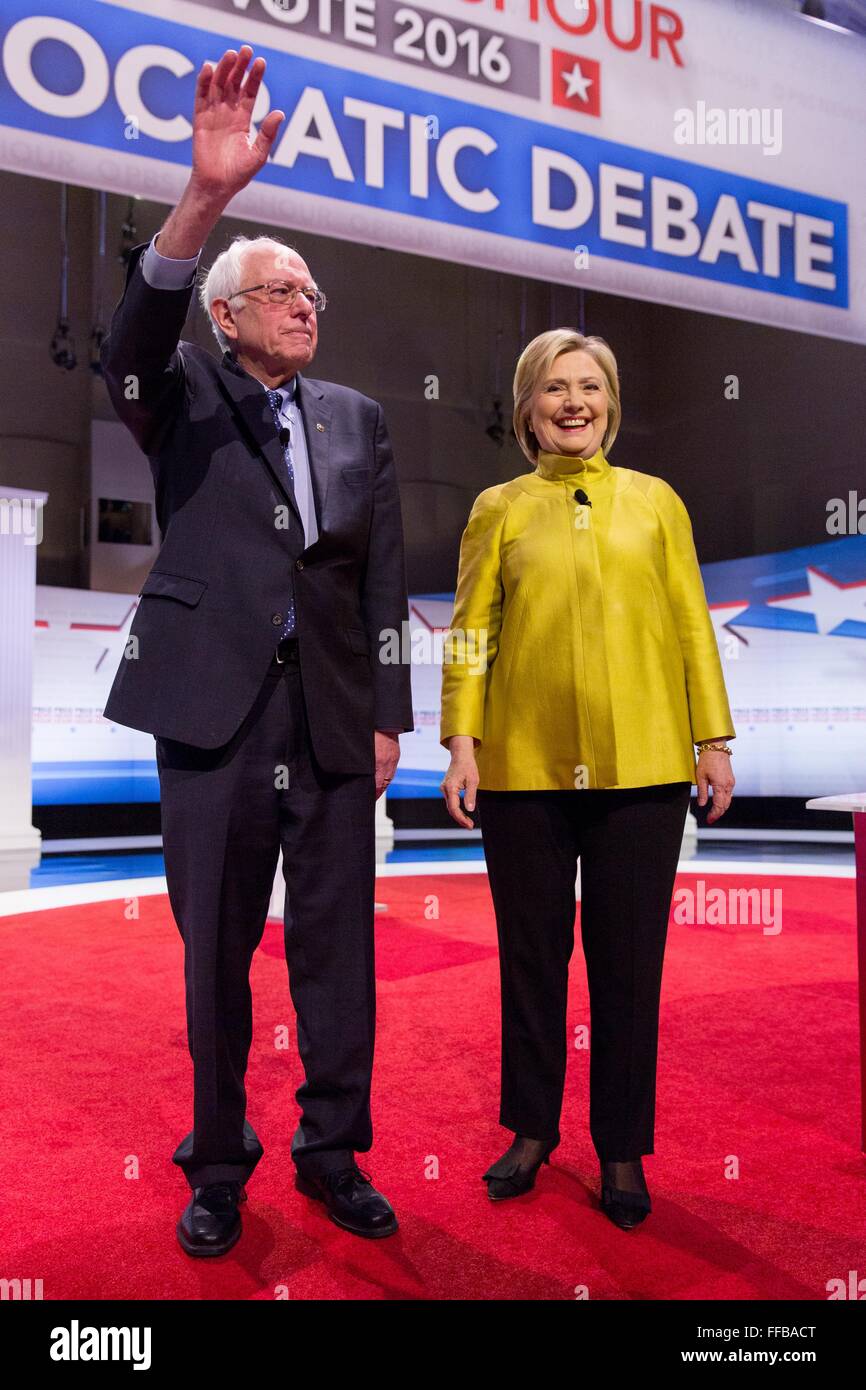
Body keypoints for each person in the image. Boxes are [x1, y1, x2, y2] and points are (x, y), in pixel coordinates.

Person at [100, 46, 414, 1254]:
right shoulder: (174, 390)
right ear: (227, 314)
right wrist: (205, 199)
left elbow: (380, 574)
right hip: (210, 712)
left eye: (315, 297)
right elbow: (133, 330)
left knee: (339, 953)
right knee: (214, 955)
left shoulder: (359, 421)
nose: (307, 309)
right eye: (284, 293)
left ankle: (333, 1152)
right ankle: (218, 1165)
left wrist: (389, 709)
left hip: (331, 715)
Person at [439, 330, 735, 1229]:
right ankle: (531, 1129)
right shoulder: (499, 507)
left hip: (644, 769)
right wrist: (461, 740)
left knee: (628, 968)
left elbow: (692, 626)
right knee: (531, 963)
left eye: (591, 386)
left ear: (610, 399)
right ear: (527, 407)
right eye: (555, 390)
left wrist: (712, 739)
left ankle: (620, 1149)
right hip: (522, 772)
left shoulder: (658, 504)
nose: (575, 403)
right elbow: (470, 634)